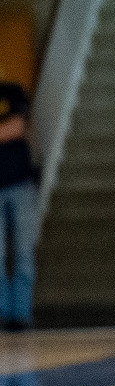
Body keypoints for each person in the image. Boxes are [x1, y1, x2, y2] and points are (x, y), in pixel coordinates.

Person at [0, 78, 37, 332]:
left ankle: (21, 315)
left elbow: (18, 126)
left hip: (20, 184)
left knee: (24, 252)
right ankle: (4, 314)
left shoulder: (12, 91)